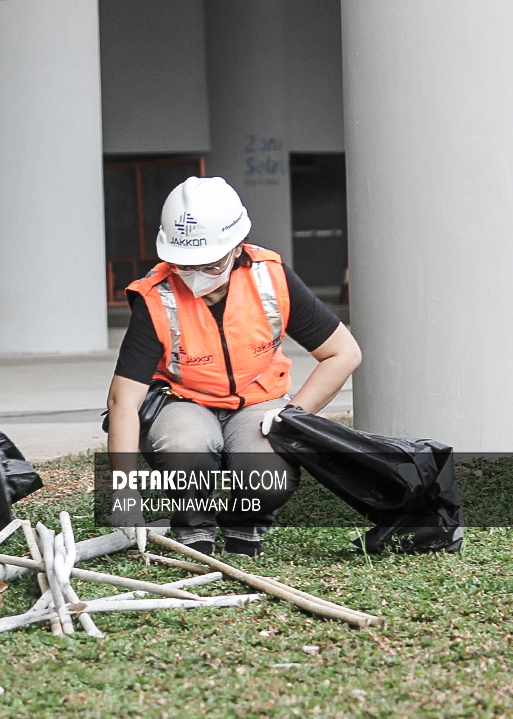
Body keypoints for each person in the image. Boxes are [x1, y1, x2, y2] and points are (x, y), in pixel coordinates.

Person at [106, 177, 362, 557]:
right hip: (183, 403)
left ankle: (244, 525)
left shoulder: (270, 278)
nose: (195, 277)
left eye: (209, 265)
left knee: (270, 473)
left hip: (257, 401)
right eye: (184, 265)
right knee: (184, 445)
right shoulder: (155, 295)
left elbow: (344, 353)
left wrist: (292, 418)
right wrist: (124, 488)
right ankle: (194, 528)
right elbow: (123, 401)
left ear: (236, 247)